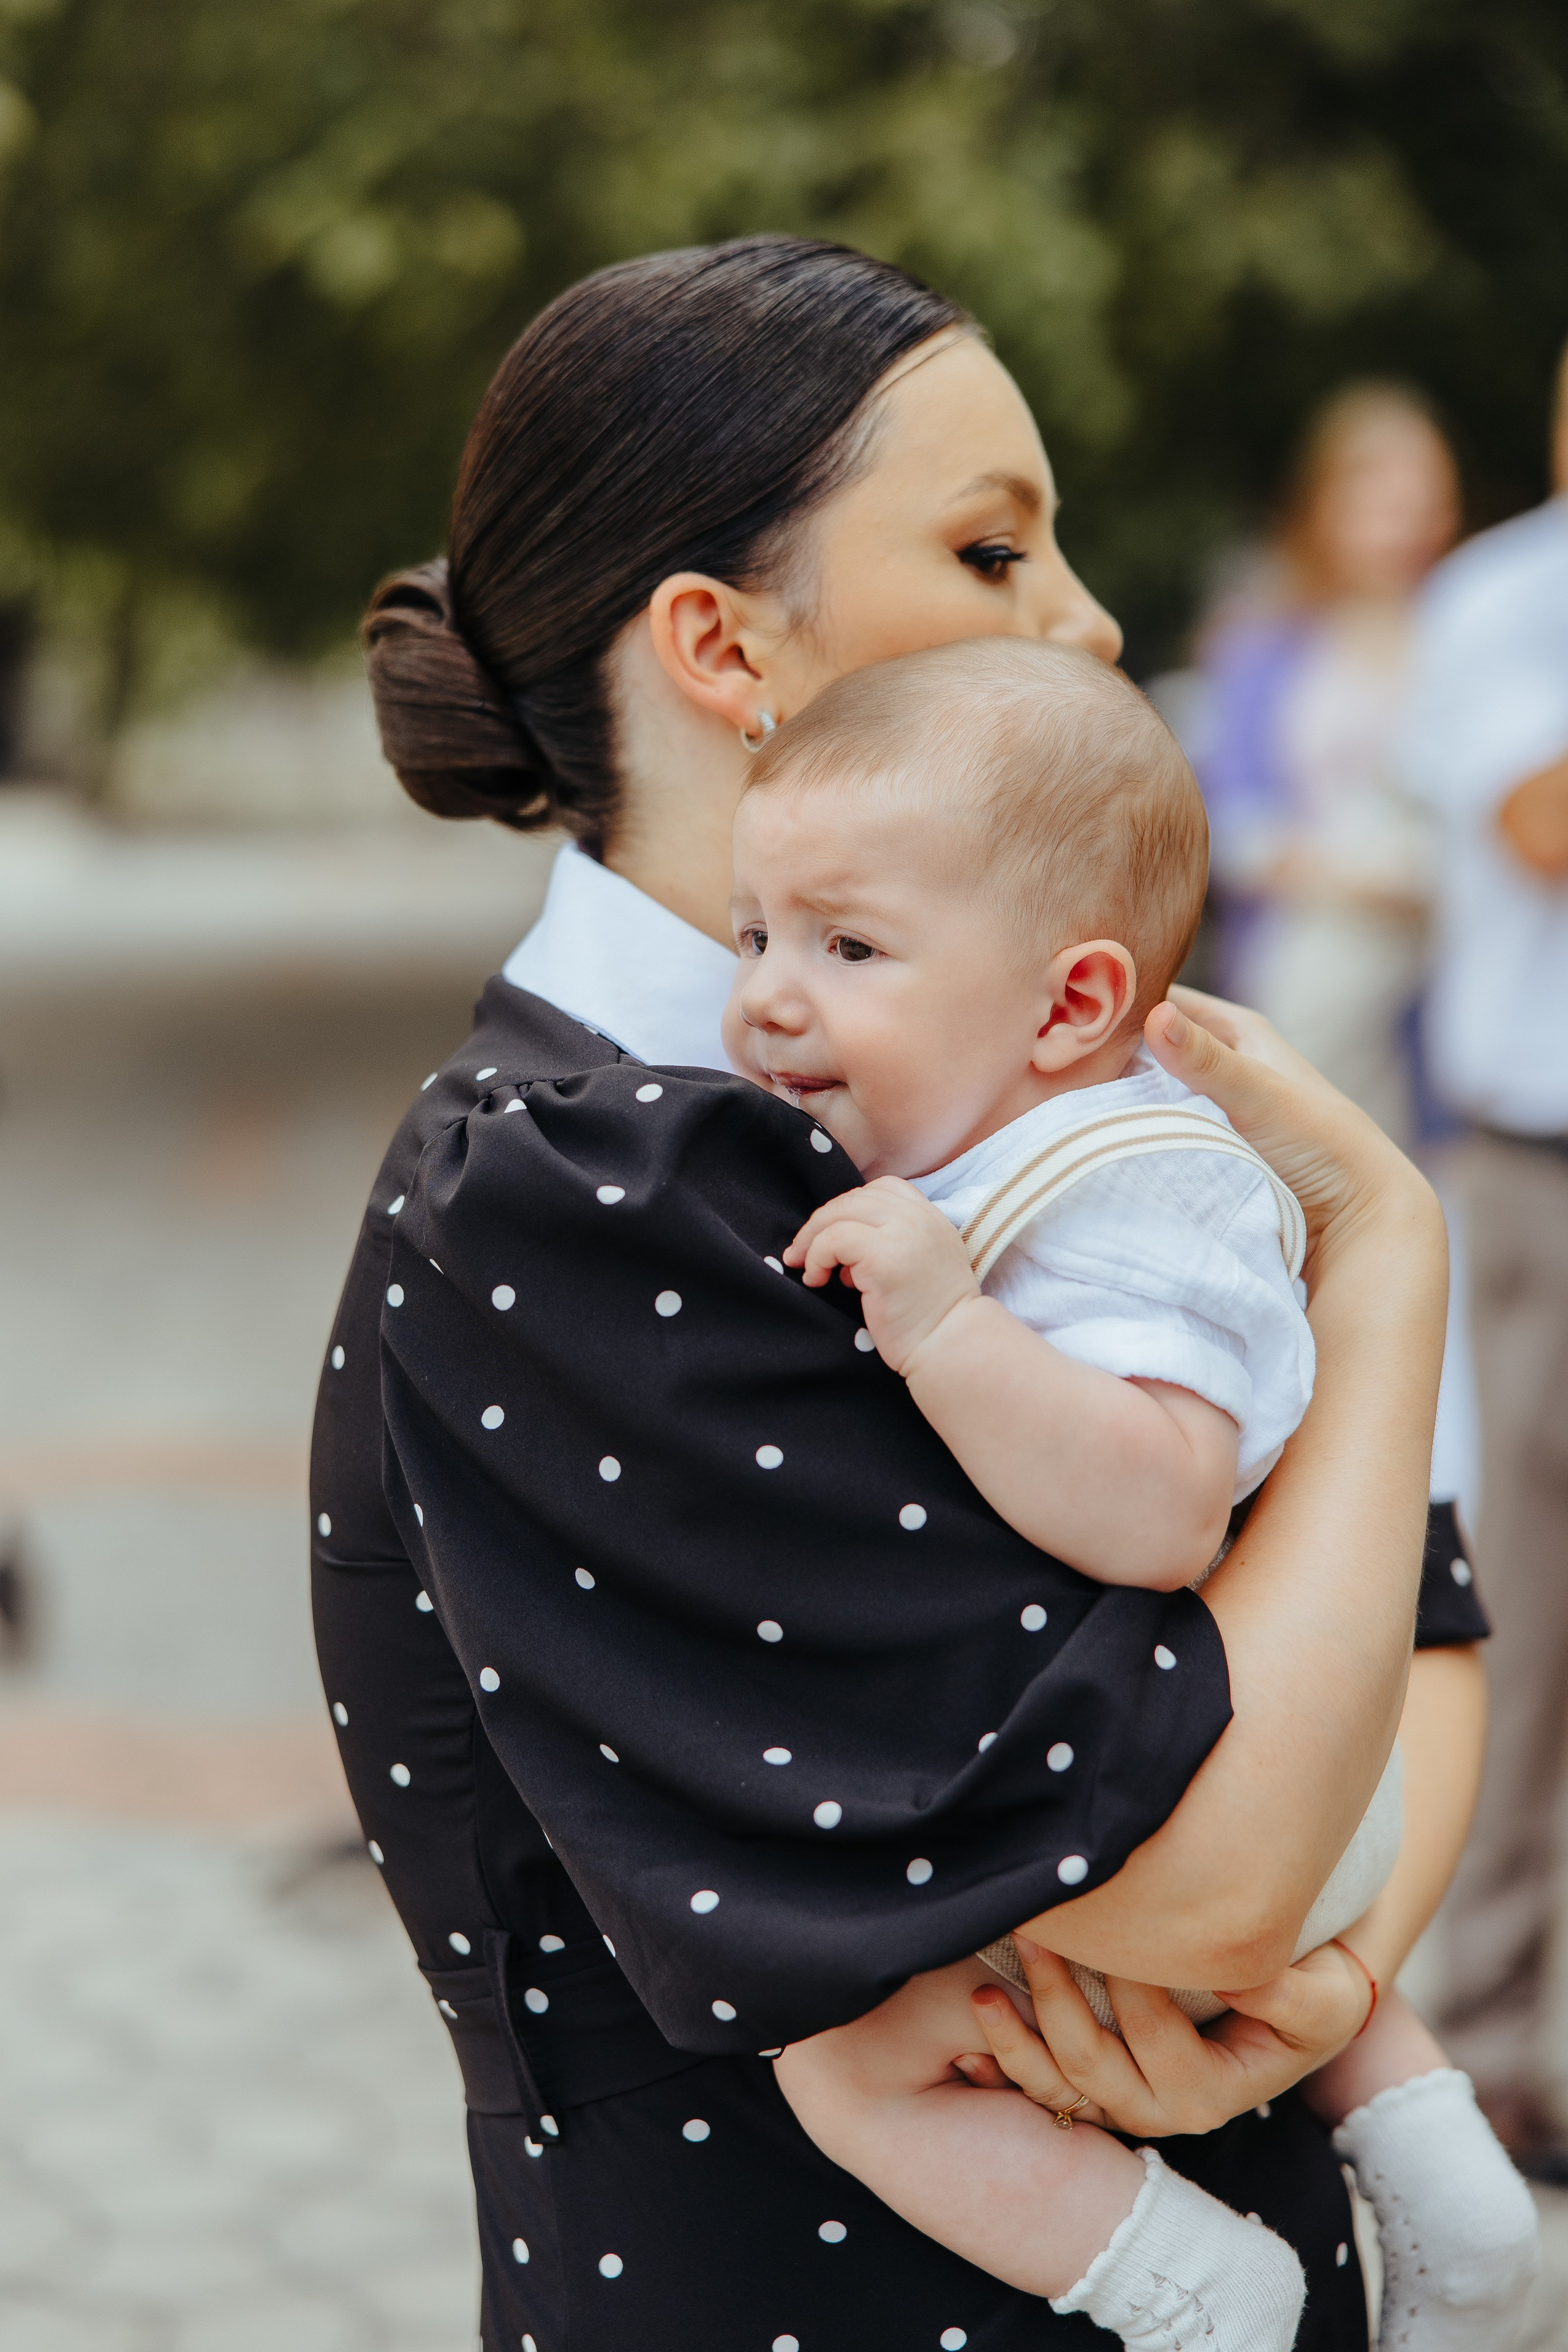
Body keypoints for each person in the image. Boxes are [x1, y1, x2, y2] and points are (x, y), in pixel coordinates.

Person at [312, 236, 1488, 2351]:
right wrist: (1391, 1257)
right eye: (992, 546)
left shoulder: (1078, 1060)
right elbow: (1199, 1868)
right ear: (725, 648)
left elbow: (1423, 1619)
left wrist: (1315, 1979)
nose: (1093, 616)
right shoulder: (578, 1186)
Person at [721, 635, 1534, 2350]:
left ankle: (1184, 2289)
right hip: (1282, 1790)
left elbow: (1166, 1503)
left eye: (848, 946)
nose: (770, 998)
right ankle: (1447, 2182)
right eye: (757, 933)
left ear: (1074, 1005)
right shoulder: (1032, 1147)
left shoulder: (1127, 1193)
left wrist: (942, 1324)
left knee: (841, 2057)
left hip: (1218, 1791)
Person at [1406, 340, 1568, 2178]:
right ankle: (1505, 2036)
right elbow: (1541, 826)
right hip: (1542, 1161)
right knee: (1527, 1609)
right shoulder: (1501, 601)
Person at [1198, 384, 1460, 1148]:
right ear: (1326, 507)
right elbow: (1223, 817)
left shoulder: (1462, 638)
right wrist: (1341, 878)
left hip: (1436, 988)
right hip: (1300, 957)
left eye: (1422, 505)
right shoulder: (1262, 645)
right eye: (1382, 503)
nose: (1403, 527)